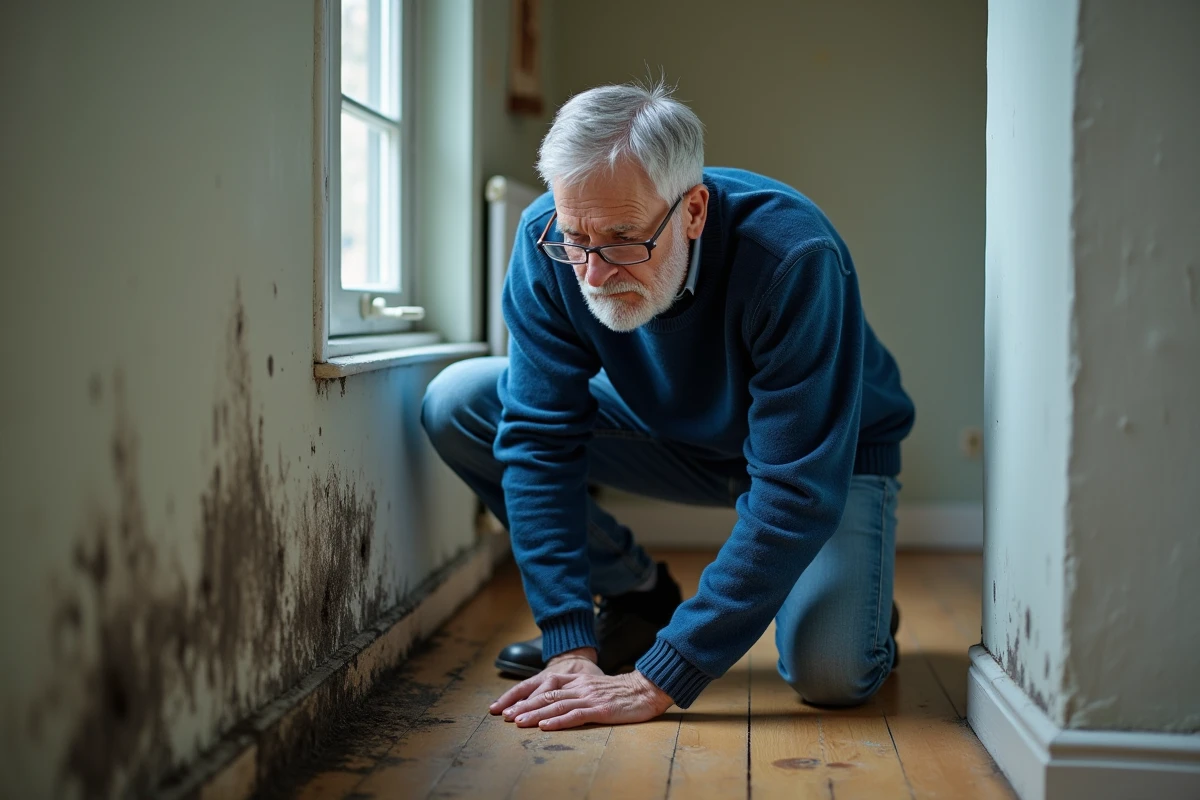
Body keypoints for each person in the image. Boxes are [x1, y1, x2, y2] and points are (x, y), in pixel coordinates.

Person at [421, 79, 915, 731]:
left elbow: (797, 489)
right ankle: (635, 595)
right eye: (576, 238)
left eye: (624, 238)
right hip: (673, 434)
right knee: (459, 401)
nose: (594, 273)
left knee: (833, 674)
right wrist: (568, 642)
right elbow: (539, 441)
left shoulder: (793, 256)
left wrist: (658, 678)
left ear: (694, 212)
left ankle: (857, 600)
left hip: (827, 458)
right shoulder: (548, 242)